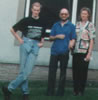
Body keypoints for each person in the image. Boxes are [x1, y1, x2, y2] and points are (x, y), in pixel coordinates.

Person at [2, 2, 46, 100]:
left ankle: (9, 88)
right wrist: (19, 39)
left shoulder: (43, 22)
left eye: (38, 10)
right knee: (23, 70)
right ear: (32, 10)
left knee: (27, 71)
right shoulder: (26, 20)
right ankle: (25, 93)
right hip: (25, 43)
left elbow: (43, 35)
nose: (36, 12)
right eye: (34, 10)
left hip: (35, 46)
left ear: (40, 11)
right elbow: (12, 29)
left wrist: (42, 43)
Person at [47, 8, 76, 96]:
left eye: (65, 14)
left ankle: (60, 92)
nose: (64, 15)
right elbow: (50, 38)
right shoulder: (55, 25)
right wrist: (57, 36)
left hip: (64, 52)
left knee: (63, 73)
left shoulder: (71, 26)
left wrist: (71, 44)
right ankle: (50, 92)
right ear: (60, 15)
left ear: (68, 15)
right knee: (52, 72)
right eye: (62, 14)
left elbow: (73, 38)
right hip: (54, 51)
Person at [72, 7, 96, 96]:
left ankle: (81, 91)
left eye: (85, 14)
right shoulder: (77, 24)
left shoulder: (90, 25)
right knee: (75, 71)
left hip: (85, 52)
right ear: (80, 15)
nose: (83, 15)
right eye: (82, 14)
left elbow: (92, 40)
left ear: (88, 15)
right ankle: (75, 90)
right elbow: (74, 37)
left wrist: (89, 53)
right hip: (76, 51)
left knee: (83, 72)